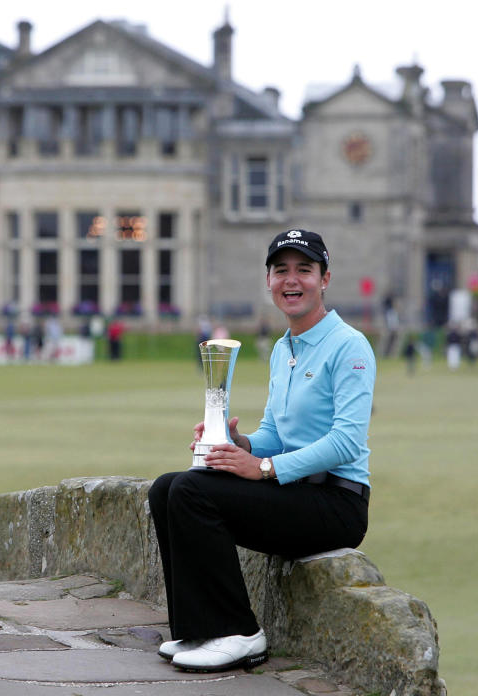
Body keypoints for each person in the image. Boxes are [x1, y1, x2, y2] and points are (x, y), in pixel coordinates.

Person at [148, 229, 375, 673]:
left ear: (325, 278)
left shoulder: (349, 346)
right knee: (166, 488)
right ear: (268, 280)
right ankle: (197, 628)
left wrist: (264, 467)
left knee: (193, 492)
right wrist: (240, 444)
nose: (292, 280)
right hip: (294, 493)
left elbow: (346, 441)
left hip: (337, 503)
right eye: (281, 270)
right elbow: (275, 430)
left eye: (304, 270)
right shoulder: (282, 349)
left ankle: (239, 632)